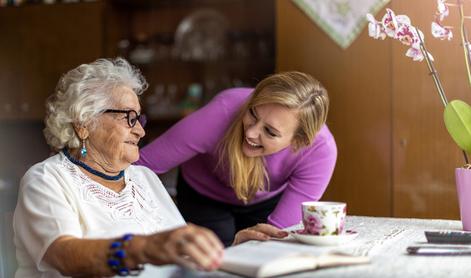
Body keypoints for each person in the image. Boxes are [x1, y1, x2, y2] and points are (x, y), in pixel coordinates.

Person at [13, 58, 287, 278]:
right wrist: (144, 247)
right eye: (129, 118)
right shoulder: (46, 179)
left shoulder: (143, 178)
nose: (141, 131)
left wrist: (228, 251)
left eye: (140, 118)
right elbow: (65, 256)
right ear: (84, 123)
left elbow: (178, 254)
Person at [137, 71, 337, 246]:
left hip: (266, 201)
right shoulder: (223, 111)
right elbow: (141, 166)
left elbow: (278, 235)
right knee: (211, 263)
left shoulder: (320, 152)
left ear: (299, 142)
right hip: (204, 195)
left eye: (270, 131)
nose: (251, 132)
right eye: (253, 113)